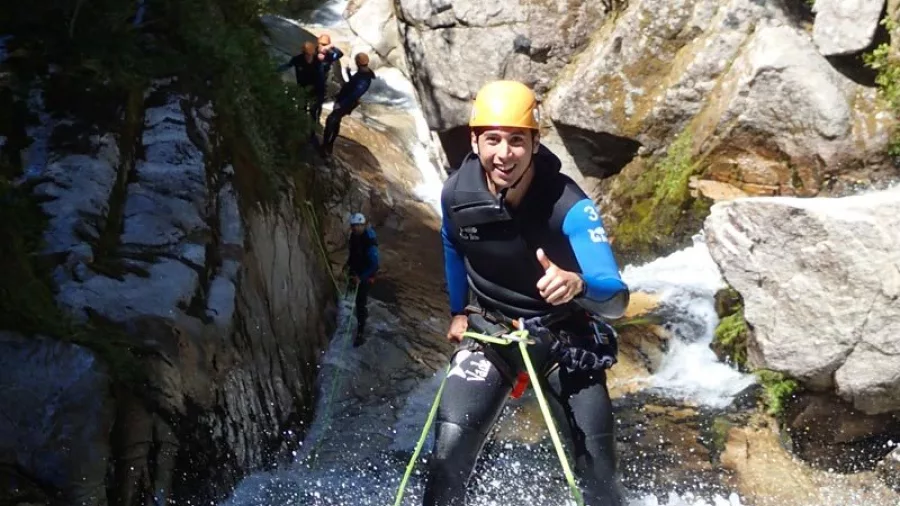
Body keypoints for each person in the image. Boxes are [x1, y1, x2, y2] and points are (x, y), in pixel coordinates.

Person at [426, 80, 631, 506]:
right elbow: (451, 241)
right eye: (493, 140)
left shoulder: (569, 206)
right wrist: (459, 309)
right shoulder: (456, 194)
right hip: (492, 336)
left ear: (535, 143)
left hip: (564, 340)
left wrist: (578, 284)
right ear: (475, 140)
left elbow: (616, 298)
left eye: (517, 141)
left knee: (599, 478)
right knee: (446, 461)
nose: (504, 154)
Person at [320, 53, 376, 156]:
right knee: (336, 120)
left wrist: (340, 104)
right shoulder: (363, 74)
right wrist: (349, 74)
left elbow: (354, 94)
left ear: (358, 63)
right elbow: (353, 86)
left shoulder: (364, 79)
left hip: (346, 103)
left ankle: (327, 146)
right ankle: (328, 145)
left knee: (331, 120)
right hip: (345, 100)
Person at [344, 212, 379, 347]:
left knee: (360, 303)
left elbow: (374, 264)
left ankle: (360, 332)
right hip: (357, 270)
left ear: (363, 225)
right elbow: (353, 253)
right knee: (353, 293)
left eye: (358, 226)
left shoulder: (369, 240)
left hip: (366, 274)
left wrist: (361, 277)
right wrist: (347, 265)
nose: (355, 229)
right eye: (353, 226)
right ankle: (357, 315)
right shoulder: (354, 236)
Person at [276, 41, 323, 128]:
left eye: (310, 54)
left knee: (313, 112)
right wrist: (275, 70)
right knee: (301, 109)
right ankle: (300, 128)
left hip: (315, 90)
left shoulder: (318, 62)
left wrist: (320, 95)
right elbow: (287, 66)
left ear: (313, 53)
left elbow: (321, 79)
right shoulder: (297, 59)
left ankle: (312, 134)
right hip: (302, 88)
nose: (308, 56)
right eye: (306, 54)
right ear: (303, 53)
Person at [314, 33, 344, 125]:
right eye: (321, 44)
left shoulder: (330, 56)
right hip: (311, 80)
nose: (322, 46)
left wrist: (330, 47)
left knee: (317, 105)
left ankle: (316, 122)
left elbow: (340, 53)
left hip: (322, 84)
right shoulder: (313, 52)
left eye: (325, 44)